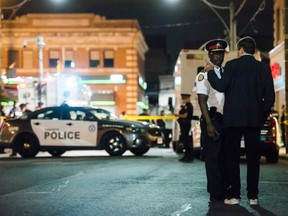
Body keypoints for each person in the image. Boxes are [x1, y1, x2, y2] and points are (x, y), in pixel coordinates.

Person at [208, 36, 275, 206]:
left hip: (233, 120)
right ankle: (253, 196)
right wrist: (262, 116)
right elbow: (270, 97)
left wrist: (209, 71)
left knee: (232, 158)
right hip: (254, 121)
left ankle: (234, 196)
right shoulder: (263, 68)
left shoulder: (232, 65)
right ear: (253, 51)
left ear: (240, 50)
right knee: (254, 159)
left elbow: (221, 86)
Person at [196, 39, 228, 202]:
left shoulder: (226, 73)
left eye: (221, 54)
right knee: (213, 158)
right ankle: (215, 192)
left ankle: (223, 188)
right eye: (215, 54)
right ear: (209, 55)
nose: (218, 57)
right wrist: (208, 124)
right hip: (212, 119)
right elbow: (202, 100)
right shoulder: (203, 75)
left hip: (225, 121)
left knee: (224, 156)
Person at [177, 94, 194, 162]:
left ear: (187, 98)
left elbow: (185, 115)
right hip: (183, 124)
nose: (183, 100)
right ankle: (186, 155)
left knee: (186, 141)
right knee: (184, 140)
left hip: (185, 124)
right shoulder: (185, 106)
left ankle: (189, 156)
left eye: (184, 98)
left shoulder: (189, 105)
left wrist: (177, 115)